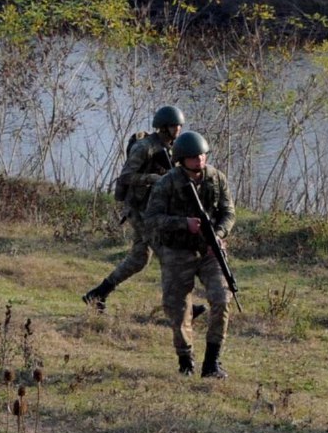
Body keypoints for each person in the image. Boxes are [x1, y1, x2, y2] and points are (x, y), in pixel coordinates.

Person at [143, 131, 235, 378]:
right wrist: (184, 223)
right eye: (193, 157)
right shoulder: (167, 183)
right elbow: (151, 219)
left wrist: (217, 234)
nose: (199, 161)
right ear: (181, 159)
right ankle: (185, 360)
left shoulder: (216, 179)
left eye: (202, 155)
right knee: (178, 307)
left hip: (209, 250)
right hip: (177, 251)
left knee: (222, 299)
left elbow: (228, 213)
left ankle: (212, 363)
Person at [83, 105, 184, 311]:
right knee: (168, 255)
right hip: (139, 210)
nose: (179, 129)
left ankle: (98, 293)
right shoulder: (144, 147)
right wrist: (152, 179)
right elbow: (126, 177)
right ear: (163, 127)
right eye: (175, 126)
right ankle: (182, 307)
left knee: (139, 259)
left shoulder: (172, 148)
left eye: (180, 125)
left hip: (155, 209)